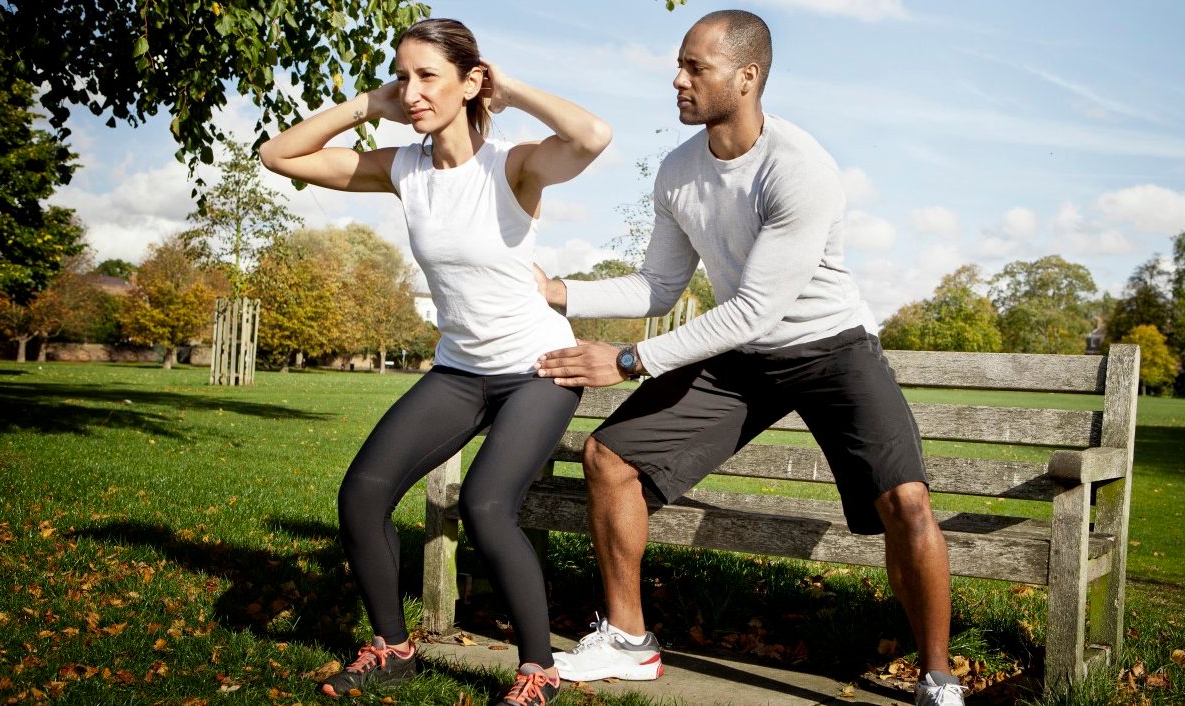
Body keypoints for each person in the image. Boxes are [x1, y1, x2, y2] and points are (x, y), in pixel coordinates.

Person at [532, 10, 965, 706]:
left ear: (747, 76)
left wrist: (631, 360)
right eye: (678, 64)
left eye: (694, 67)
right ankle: (627, 638)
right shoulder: (678, 172)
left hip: (831, 350)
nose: (677, 80)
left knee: (907, 501)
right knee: (609, 458)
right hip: (744, 357)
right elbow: (659, 285)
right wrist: (561, 290)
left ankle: (939, 678)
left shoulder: (800, 169)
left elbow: (756, 308)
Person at [259, 17, 610, 705]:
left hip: (538, 367)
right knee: (361, 494)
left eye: (427, 77)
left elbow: (592, 137)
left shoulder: (512, 165)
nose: (412, 91)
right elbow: (279, 155)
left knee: (485, 505)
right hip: (460, 371)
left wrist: (507, 86)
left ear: (469, 81)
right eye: (403, 76)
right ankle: (392, 649)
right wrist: (368, 106)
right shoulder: (404, 168)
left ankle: (537, 669)